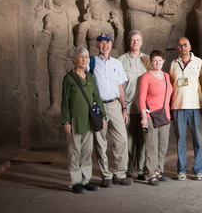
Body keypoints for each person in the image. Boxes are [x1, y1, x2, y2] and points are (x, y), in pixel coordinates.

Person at [61, 47, 106, 193]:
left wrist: (103, 116)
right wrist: (66, 121)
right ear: (75, 59)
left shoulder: (90, 77)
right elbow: (65, 102)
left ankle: (85, 180)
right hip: (75, 120)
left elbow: (97, 98)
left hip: (89, 120)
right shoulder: (69, 78)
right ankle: (75, 182)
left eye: (86, 57)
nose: (84, 60)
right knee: (74, 152)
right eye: (81, 57)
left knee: (87, 151)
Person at [90, 33, 132, 187]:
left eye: (107, 43)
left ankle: (119, 174)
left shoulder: (116, 63)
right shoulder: (91, 63)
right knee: (101, 141)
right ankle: (105, 175)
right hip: (98, 105)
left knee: (121, 139)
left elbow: (120, 87)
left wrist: (124, 108)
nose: (105, 45)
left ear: (111, 44)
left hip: (114, 104)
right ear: (97, 45)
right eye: (101, 43)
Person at [169, 37, 202, 181]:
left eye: (185, 45)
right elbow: (171, 84)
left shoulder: (199, 62)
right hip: (178, 106)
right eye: (180, 45)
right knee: (180, 140)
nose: (183, 47)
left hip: (195, 105)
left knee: (198, 139)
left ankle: (199, 169)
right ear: (177, 48)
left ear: (190, 47)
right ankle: (181, 169)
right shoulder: (173, 64)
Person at [118, 30, 150, 180]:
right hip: (129, 107)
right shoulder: (121, 60)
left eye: (138, 40)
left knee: (143, 139)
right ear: (129, 42)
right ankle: (130, 169)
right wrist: (123, 108)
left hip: (144, 108)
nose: (135, 42)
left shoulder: (148, 60)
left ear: (141, 42)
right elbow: (119, 87)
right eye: (132, 40)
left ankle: (142, 170)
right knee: (129, 140)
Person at [139, 50, 173, 186]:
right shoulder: (146, 77)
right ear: (150, 62)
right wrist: (143, 118)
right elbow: (142, 98)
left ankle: (158, 170)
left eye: (159, 60)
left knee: (163, 145)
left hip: (164, 115)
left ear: (163, 61)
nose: (157, 63)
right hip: (150, 115)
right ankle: (151, 173)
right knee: (151, 145)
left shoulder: (166, 76)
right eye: (154, 61)